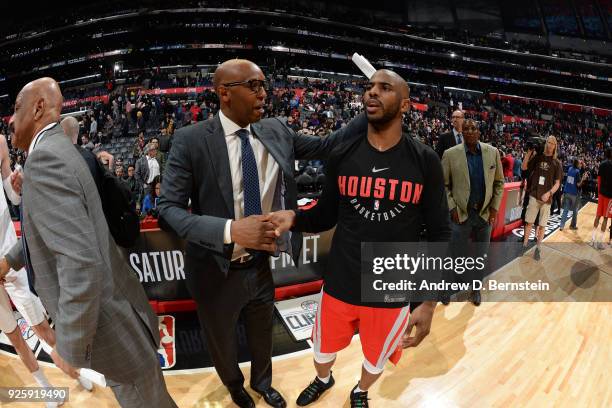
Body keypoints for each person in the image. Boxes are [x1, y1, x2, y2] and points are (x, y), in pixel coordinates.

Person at [158, 59, 366, 408]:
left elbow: (330, 144)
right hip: (214, 268)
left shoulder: (276, 129)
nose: (264, 93)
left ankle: (262, 383)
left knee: (261, 331)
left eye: (264, 85)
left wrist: (372, 104)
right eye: (253, 85)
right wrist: (230, 230)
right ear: (224, 93)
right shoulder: (191, 140)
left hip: (259, 263)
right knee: (222, 340)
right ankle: (235, 387)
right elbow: (167, 209)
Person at [269, 69, 450, 408]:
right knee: (321, 350)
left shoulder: (425, 161)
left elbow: (440, 232)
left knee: (377, 357)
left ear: (406, 105)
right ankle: (324, 379)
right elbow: (325, 215)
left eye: (384, 88)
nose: (372, 93)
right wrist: (294, 217)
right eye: (369, 87)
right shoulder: (342, 154)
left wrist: (428, 301)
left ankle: (360, 391)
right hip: (341, 277)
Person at [0, 77, 177, 408]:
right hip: (119, 311)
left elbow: (80, 263)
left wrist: (68, 345)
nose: (11, 119)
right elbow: (60, 231)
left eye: (16, 108)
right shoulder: (65, 151)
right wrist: (11, 259)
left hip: (109, 325)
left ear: (38, 107)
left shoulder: (44, 161)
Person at [441, 119, 504, 306]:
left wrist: (494, 208)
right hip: (461, 214)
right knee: (453, 254)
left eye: (473, 128)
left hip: (484, 215)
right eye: (466, 128)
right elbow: (443, 185)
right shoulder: (450, 154)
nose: (469, 131)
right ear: (462, 131)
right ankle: (445, 288)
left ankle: (475, 290)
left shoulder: (492, 153)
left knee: (480, 256)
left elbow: (499, 183)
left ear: (479, 132)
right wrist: (452, 207)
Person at [522, 136, 562, 260]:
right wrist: (528, 154)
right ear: (546, 144)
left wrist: (549, 193)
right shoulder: (538, 157)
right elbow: (524, 168)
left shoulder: (557, 163)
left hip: (547, 199)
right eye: (548, 142)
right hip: (534, 195)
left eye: (552, 143)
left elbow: (557, 183)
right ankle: (524, 246)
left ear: (555, 147)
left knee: (542, 225)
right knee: (529, 223)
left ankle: (538, 249)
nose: (550, 145)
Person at [590, 149, 612, 249]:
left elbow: (599, 180)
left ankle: (592, 239)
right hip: (609, 196)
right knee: (605, 218)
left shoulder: (602, 164)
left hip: (601, 194)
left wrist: (598, 194)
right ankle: (600, 242)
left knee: (598, 216)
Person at [559, 159, 584, 231]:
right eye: (579, 163)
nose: (580, 165)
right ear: (577, 164)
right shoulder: (577, 172)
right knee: (575, 210)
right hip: (574, 194)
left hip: (567, 192)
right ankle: (573, 225)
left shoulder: (570, 169)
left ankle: (561, 226)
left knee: (565, 210)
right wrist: (583, 179)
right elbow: (578, 184)